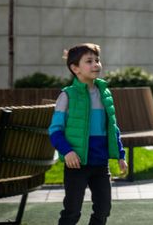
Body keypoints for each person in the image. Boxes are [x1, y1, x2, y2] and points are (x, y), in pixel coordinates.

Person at [49, 43, 127, 225]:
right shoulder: (67, 96)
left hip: (100, 163)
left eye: (97, 60)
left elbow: (112, 127)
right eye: (89, 61)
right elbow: (55, 130)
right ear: (75, 68)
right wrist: (67, 151)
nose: (96, 64)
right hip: (77, 164)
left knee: (103, 208)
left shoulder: (105, 93)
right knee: (72, 210)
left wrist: (120, 155)